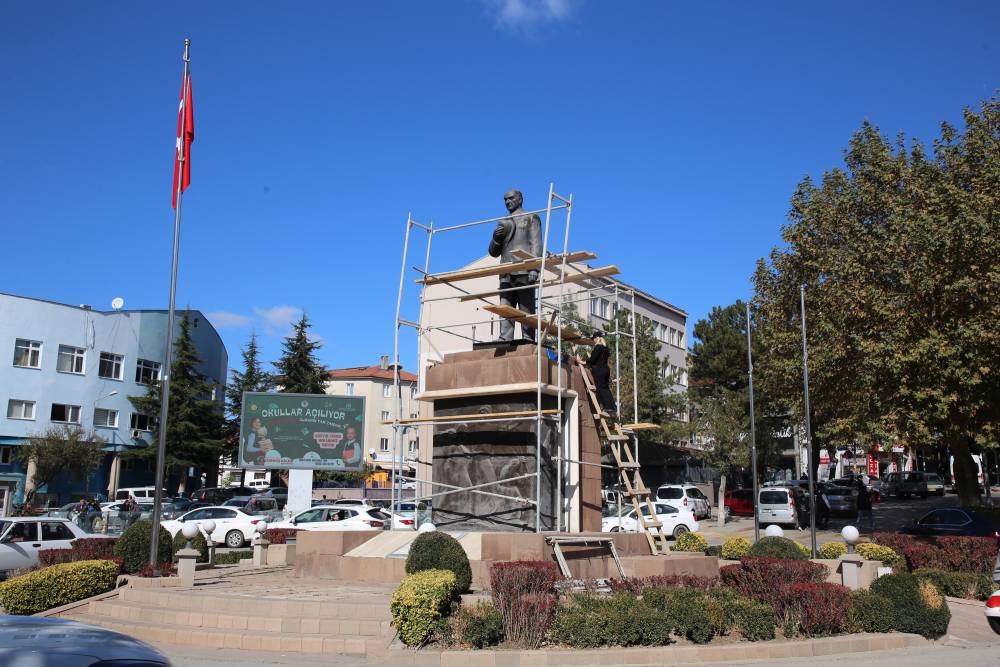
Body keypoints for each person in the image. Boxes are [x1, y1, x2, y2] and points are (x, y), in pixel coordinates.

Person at [488, 189, 542, 342]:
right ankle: (505, 337)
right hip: (505, 270)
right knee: (505, 305)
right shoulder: (503, 222)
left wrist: (534, 267)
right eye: (505, 199)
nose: (507, 202)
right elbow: (493, 252)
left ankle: (528, 337)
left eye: (511, 198)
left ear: (520, 199)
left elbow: (536, 244)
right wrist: (496, 239)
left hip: (524, 269)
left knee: (526, 307)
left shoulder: (531, 217)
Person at [585, 330, 617, 417]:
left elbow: (592, 360)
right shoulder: (605, 348)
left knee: (601, 389)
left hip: (600, 371)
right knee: (606, 389)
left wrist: (585, 361)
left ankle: (608, 408)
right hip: (606, 370)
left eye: (594, 338)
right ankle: (613, 408)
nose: (593, 340)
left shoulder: (598, 347)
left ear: (597, 338)